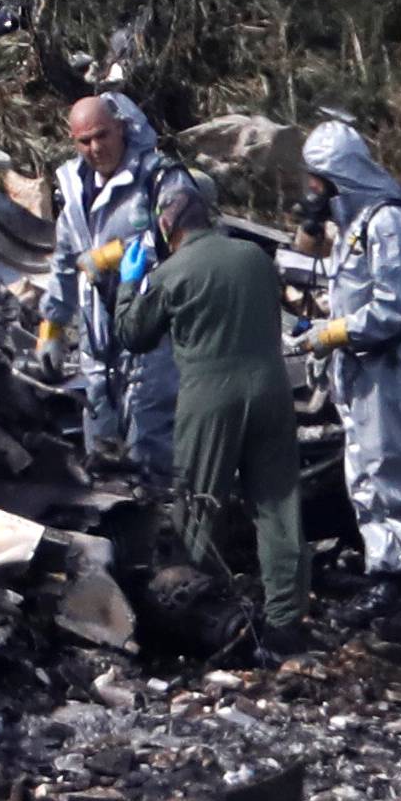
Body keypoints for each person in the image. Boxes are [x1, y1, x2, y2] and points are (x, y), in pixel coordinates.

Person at [115, 187, 309, 661]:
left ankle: (202, 616)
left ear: (168, 227)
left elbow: (133, 335)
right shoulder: (256, 257)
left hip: (209, 395)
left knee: (199, 504)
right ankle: (286, 622)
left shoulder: (170, 272)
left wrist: (127, 284)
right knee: (278, 506)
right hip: (271, 388)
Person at [293, 118, 401, 623]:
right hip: (358, 370)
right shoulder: (354, 224)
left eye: (318, 181)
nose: (311, 191)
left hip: (393, 371)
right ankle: (386, 575)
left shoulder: (389, 222)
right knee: (364, 475)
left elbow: (394, 307)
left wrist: (334, 332)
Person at [37, 92, 199, 484]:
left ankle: (164, 527)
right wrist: (52, 328)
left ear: (121, 129)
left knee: (149, 436)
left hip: (152, 332)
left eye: (102, 135)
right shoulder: (74, 187)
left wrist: (113, 255)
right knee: (100, 443)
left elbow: (186, 238)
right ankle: (114, 529)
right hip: (98, 337)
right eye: (84, 141)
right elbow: (65, 259)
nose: (95, 148)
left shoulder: (158, 177)